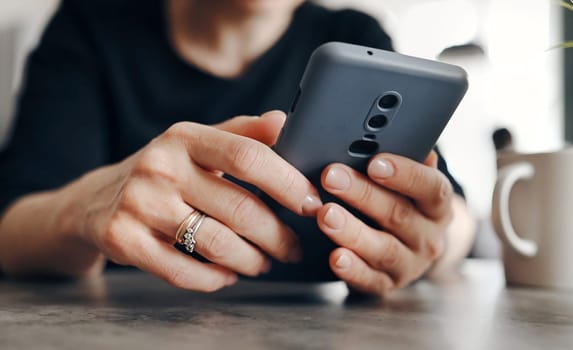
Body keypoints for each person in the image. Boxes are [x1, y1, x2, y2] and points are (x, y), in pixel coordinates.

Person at [0, 0, 475, 297]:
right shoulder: (92, 23)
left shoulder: (357, 36)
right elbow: (11, 226)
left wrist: (430, 243)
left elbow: (449, 207)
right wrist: (85, 211)